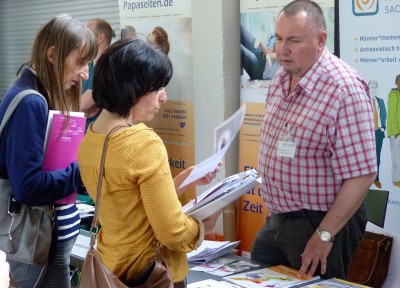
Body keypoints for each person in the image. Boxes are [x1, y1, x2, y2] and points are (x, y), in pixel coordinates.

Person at [78, 38, 221, 287]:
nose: (163, 98)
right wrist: (202, 227)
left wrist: (182, 180)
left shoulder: (90, 139)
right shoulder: (143, 142)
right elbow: (172, 232)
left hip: (112, 266)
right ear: (133, 89)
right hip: (151, 274)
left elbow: (133, 208)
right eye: (157, 89)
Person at [252, 0, 377, 280]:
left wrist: (323, 235)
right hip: (278, 221)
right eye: (279, 38)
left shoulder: (344, 90)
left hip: (320, 224)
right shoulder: (281, 79)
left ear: (321, 40)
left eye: (294, 40)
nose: (282, 49)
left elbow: (363, 175)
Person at [0, 14, 97, 287]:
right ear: (53, 54)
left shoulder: (36, 95)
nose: (85, 74)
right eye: (81, 61)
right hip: (37, 251)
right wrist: (83, 171)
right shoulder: (31, 103)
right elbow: (28, 187)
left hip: (44, 247)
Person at [80, 18, 113, 131]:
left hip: (97, 135)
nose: (83, 39)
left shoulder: (108, 68)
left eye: (87, 34)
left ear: (100, 38)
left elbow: (83, 103)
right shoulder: (88, 67)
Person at [369, 80, 386, 188]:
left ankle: (376, 178)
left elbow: (384, 115)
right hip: (368, 133)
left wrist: (383, 127)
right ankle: (366, 181)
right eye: (372, 87)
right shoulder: (364, 101)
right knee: (368, 157)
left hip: (379, 133)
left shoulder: (381, 101)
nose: (374, 89)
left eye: (375, 87)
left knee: (377, 157)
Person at [387, 74, 400, 187]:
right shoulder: (394, 95)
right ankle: (396, 180)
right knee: (396, 158)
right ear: (396, 82)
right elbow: (392, 114)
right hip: (396, 133)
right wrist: (396, 132)